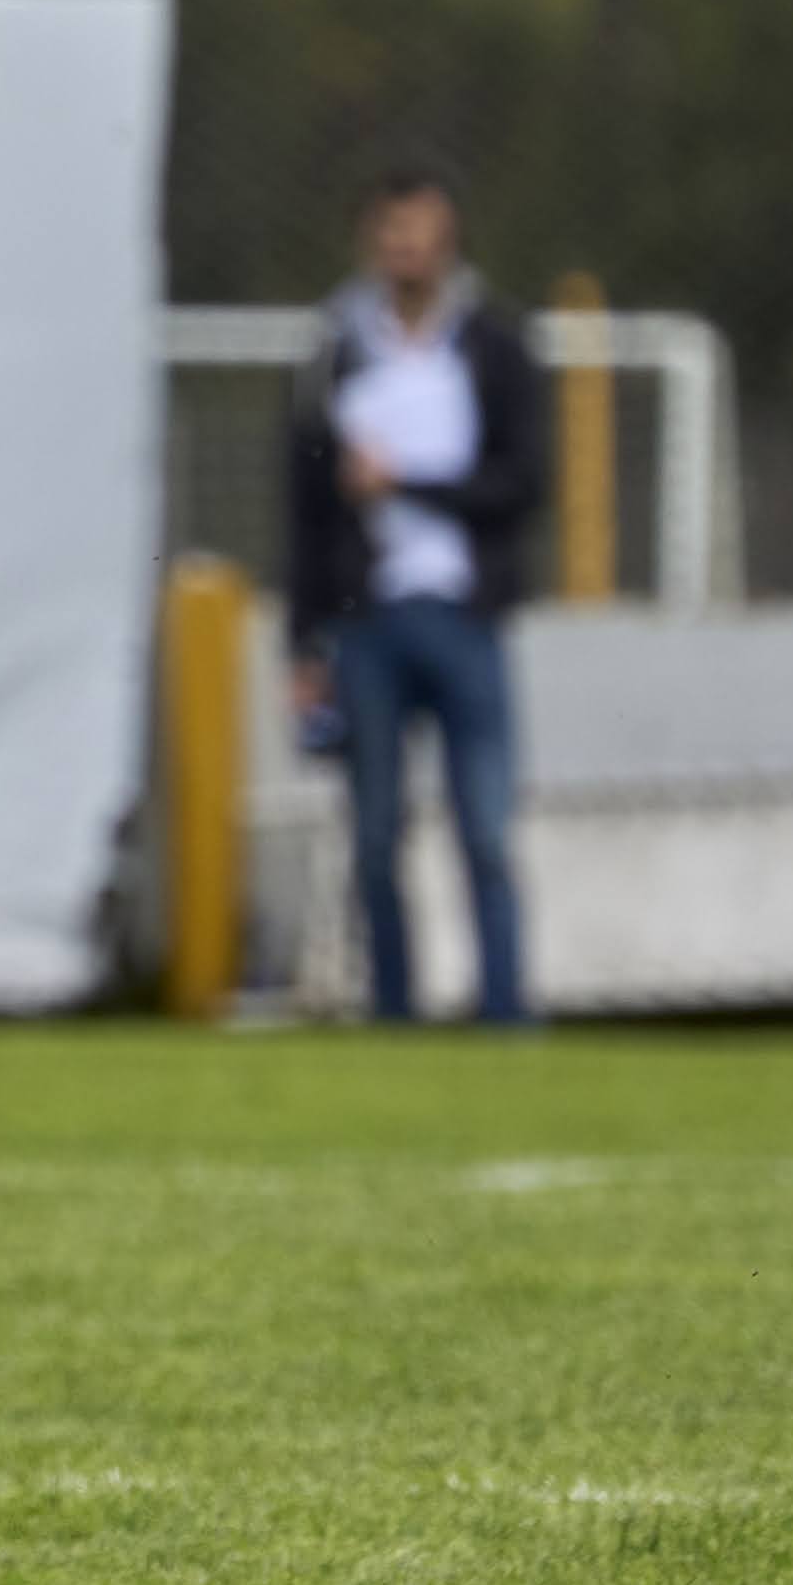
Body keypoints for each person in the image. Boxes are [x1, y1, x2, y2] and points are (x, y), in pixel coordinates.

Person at [283, 166, 546, 1027]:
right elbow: (303, 507)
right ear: (372, 240)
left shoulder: (493, 347)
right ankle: (394, 1014)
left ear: (450, 240)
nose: (407, 248)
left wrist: (408, 486)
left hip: (466, 620)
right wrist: (302, 644)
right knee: (372, 836)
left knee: (485, 833)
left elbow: (523, 483)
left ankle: (505, 1013)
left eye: (422, 230)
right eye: (392, 230)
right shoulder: (334, 353)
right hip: (369, 625)